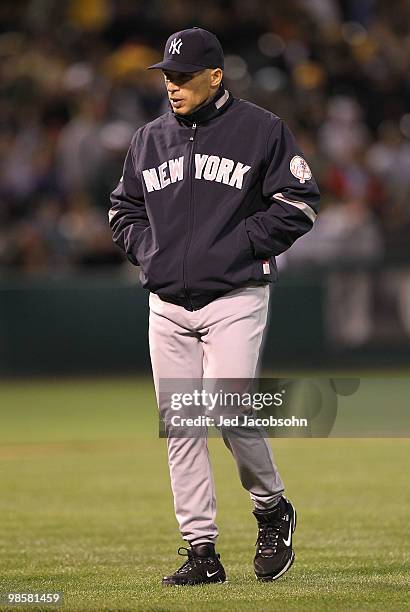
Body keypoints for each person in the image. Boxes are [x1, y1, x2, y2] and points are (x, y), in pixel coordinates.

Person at [109, 27, 320, 586]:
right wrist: (149, 252)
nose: (172, 85)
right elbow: (122, 210)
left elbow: (299, 204)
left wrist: (238, 246)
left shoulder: (261, 130)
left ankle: (271, 507)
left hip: (235, 296)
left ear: (216, 76)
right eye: (167, 76)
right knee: (181, 428)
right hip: (168, 305)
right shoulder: (149, 138)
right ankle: (201, 551)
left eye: (182, 76)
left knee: (228, 411)